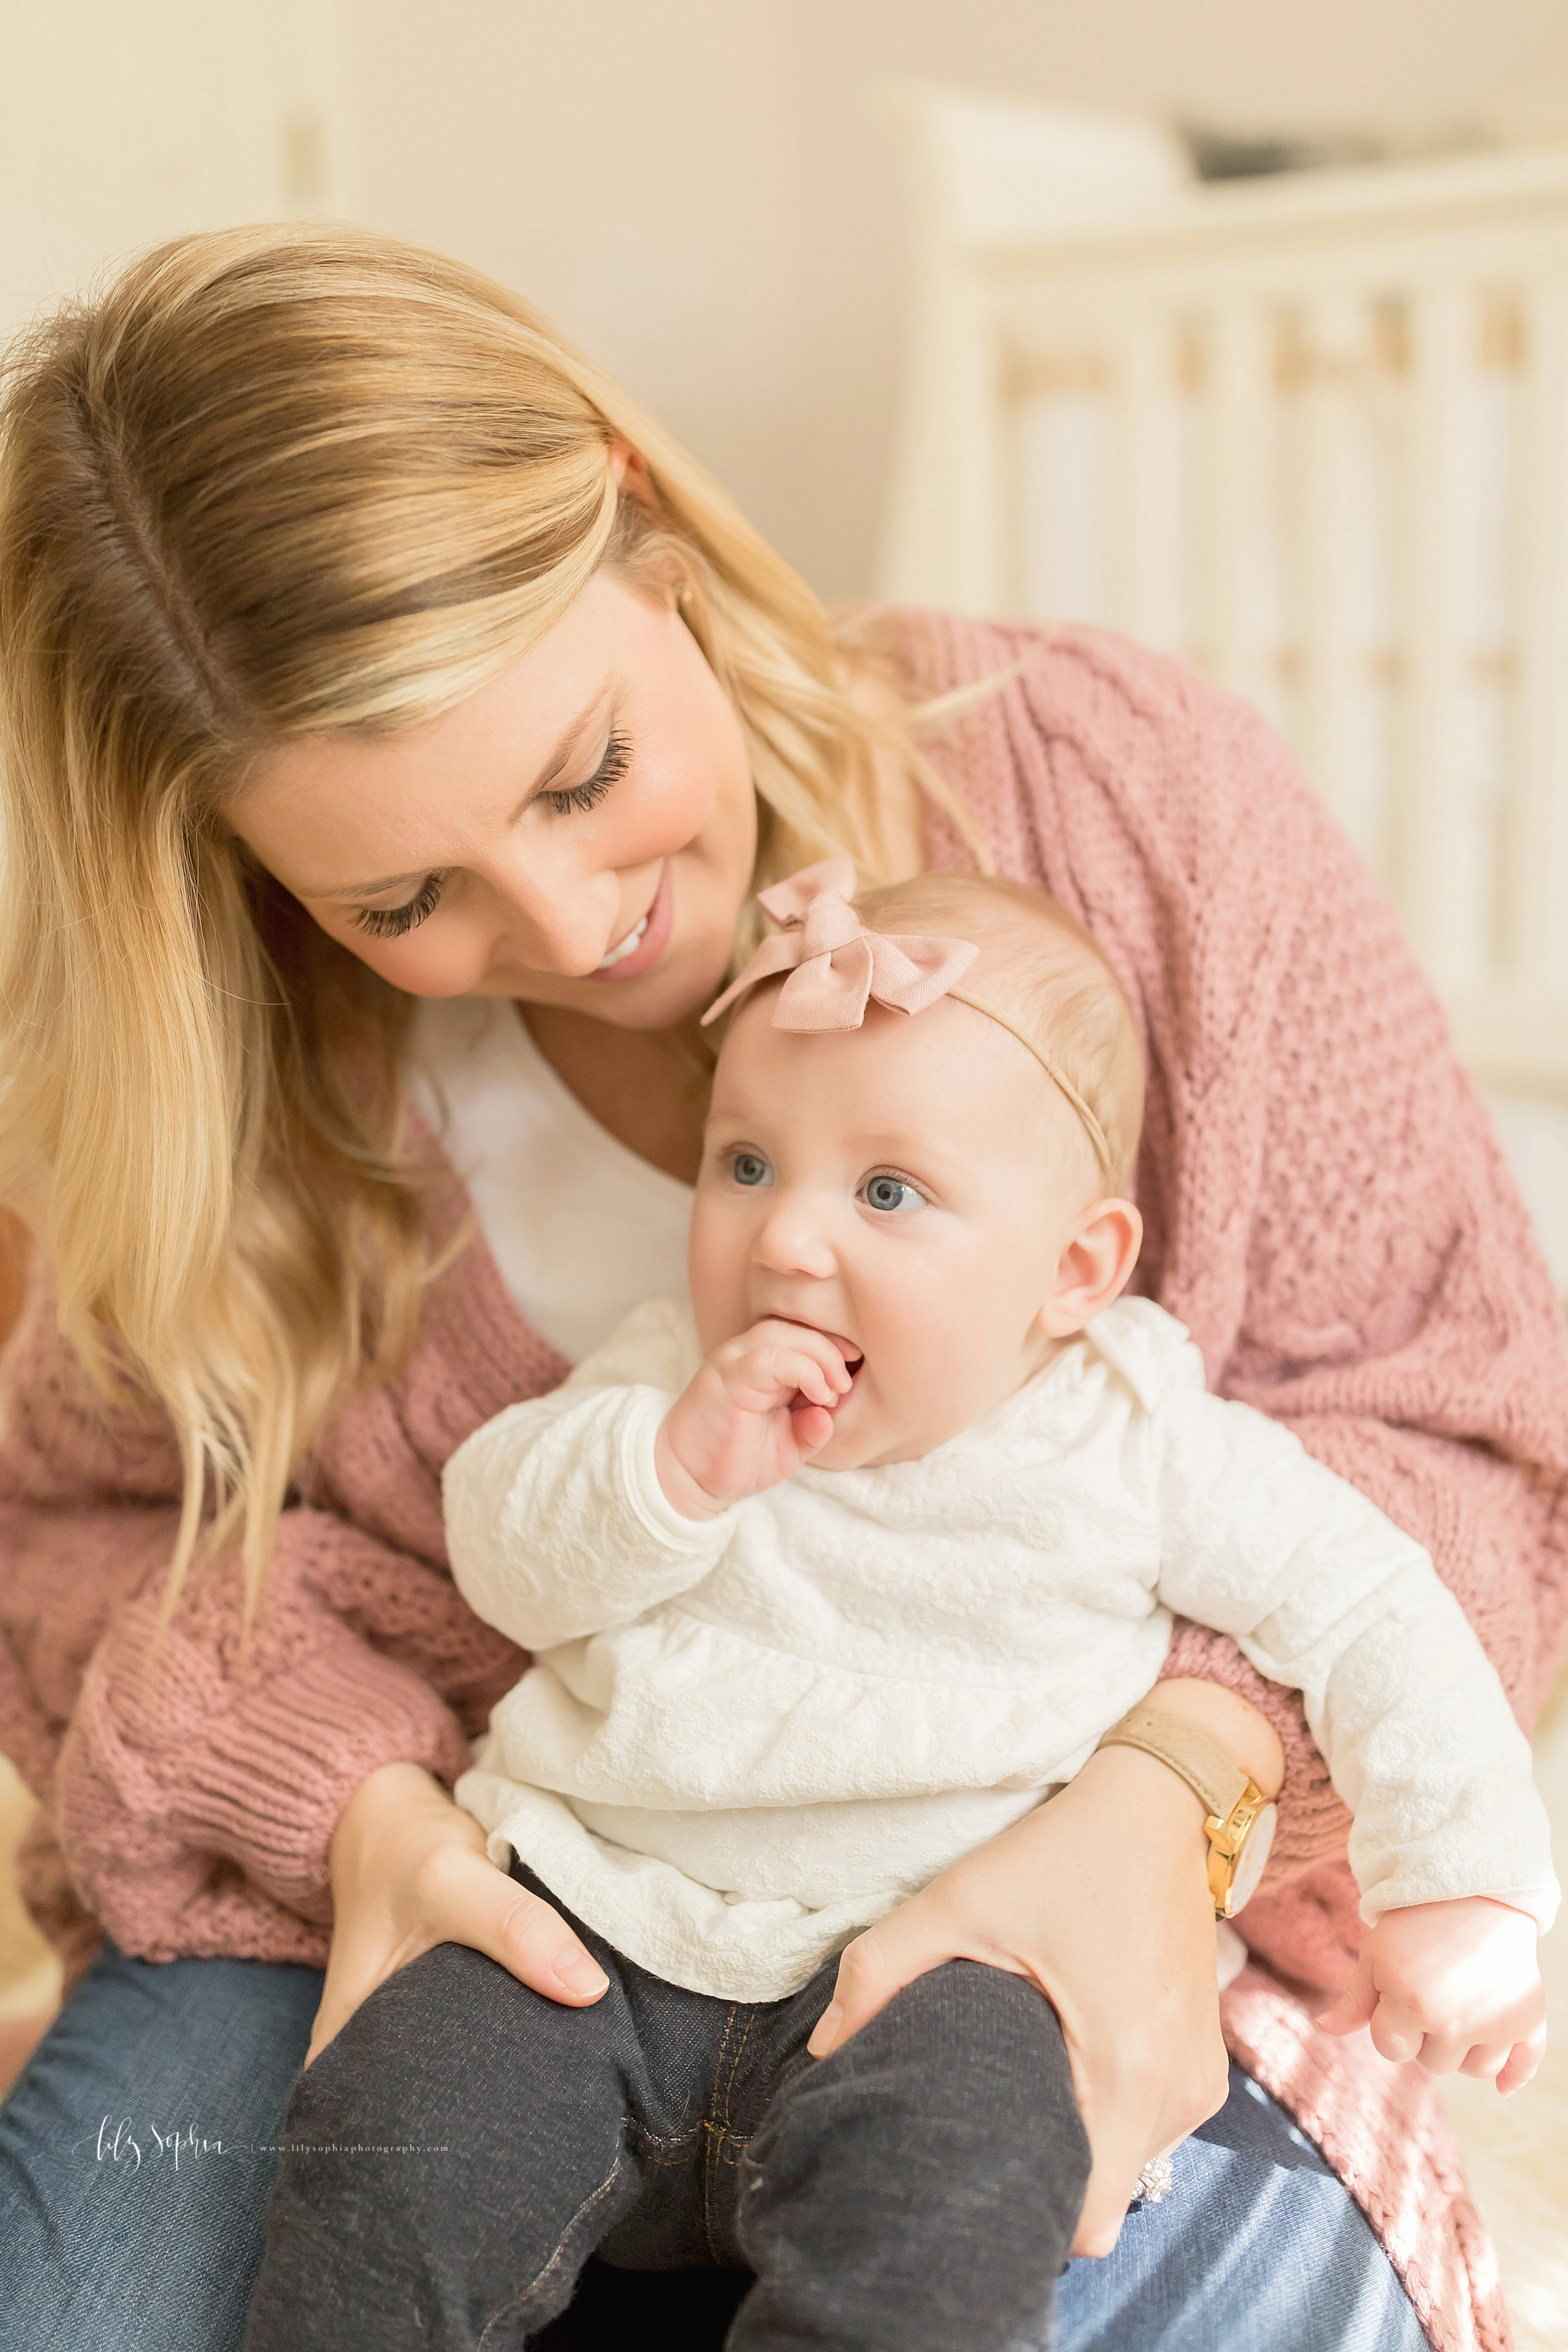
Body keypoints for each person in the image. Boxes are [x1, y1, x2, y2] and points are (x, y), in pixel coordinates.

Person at [0, 221, 1564, 2352]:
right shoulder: (232, 1073)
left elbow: (1461, 1436)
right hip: (474, 1903)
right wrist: (354, 1810)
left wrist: (1172, 1788)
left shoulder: (1124, 792)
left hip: (1022, 1900)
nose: (571, 922)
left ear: (641, 517)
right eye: (400, 896)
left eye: (585, 774)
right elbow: (83, 1530)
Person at [240, 864, 1553, 2350]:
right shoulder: (664, 1376)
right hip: (589, 1926)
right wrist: (672, 1473)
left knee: (958, 2205)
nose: (788, 1240)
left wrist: (1467, 1883)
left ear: (1073, 1269)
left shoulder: (1134, 1437)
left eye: (884, 1192)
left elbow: (1370, 1606)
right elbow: (505, 1556)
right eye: (744, 1165)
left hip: (933, 1968)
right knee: (383, 2151)